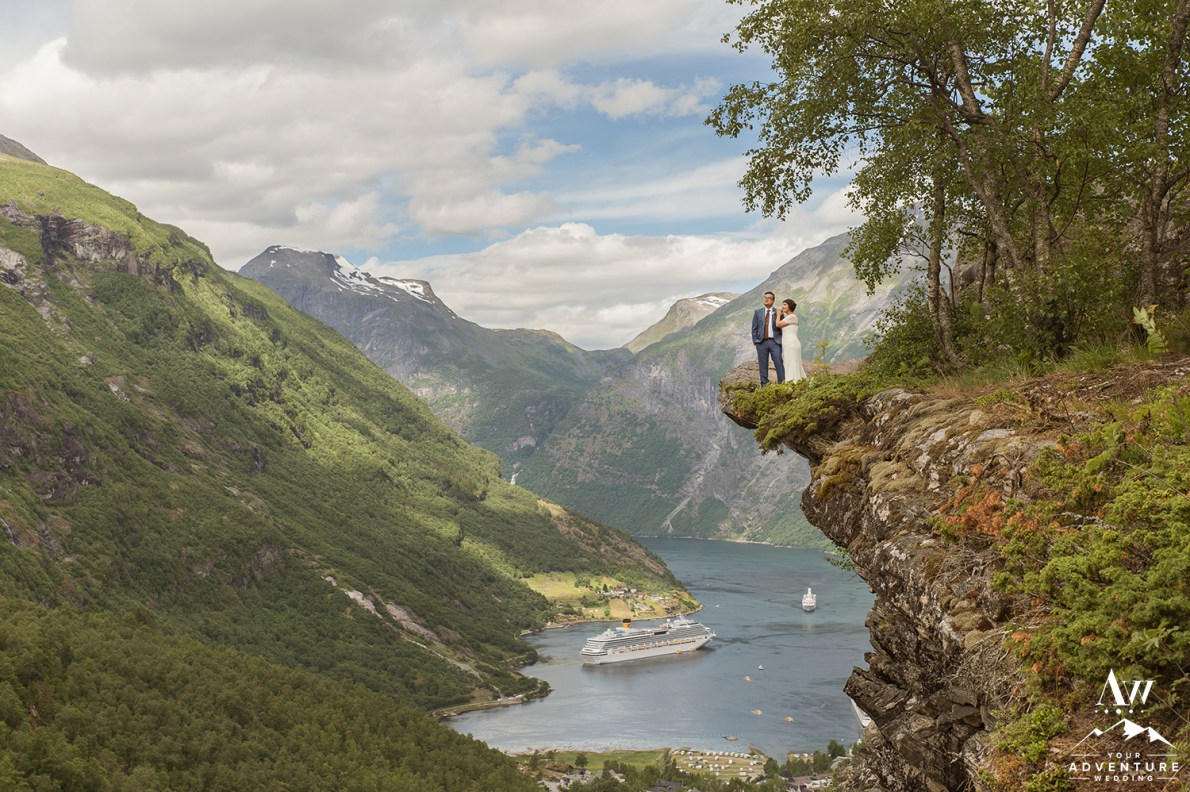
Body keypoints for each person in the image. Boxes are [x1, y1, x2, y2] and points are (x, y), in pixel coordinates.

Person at [751, 291, 784, 385]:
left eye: (769, 298)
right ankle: (764, 385)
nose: (766, 299)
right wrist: (755, 341)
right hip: (761, 343)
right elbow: (754, 328)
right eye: (765, 297)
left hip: (775, 342)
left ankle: (782, 383)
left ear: (773, 301)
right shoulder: (758, 312)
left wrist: (781, 340)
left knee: (778, 362)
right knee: (763, 365)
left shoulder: (778, 312)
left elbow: (782, 326)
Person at [777, 298, 806, 382]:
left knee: (791, 363)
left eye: (785, 304)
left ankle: (793, 382)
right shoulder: (789, 317)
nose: (782, 306)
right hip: (788, 343)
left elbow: (778, 324)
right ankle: (796, 382)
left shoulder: (792, 317)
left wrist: (778, 314)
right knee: (790, 362)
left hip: (791, 343)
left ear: (790, 306)